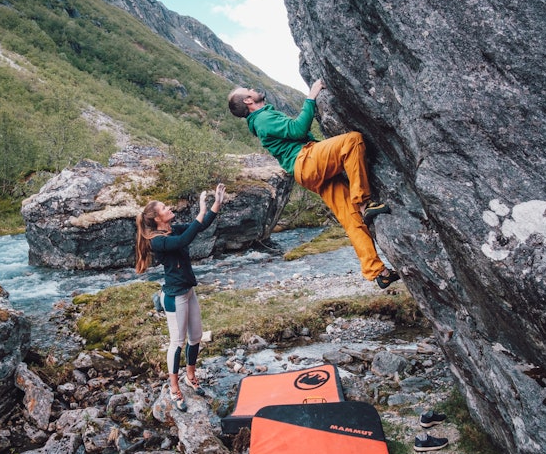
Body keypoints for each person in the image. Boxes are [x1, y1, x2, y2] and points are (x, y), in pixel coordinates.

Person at [228, 79, 397, 288]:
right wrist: (311, 96)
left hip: (307, 170)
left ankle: (378, 271)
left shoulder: (261, 118)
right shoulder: (262, 118)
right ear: (248, 100)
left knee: (350, 217)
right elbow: (298, 130)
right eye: (249, 90)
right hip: (306, 161)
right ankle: (364, 203)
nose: (253, 89)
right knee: (352, 140)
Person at [135, 182, 226, 411]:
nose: (169, 209)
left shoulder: (171, 229)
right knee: (177, 342)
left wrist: (215, 204)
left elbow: (199, 227)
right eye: (165, 208)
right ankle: (174, 387)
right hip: (174, 297)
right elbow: (184, 241)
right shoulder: (157, 241)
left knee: (195, 336)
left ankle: (190, 376)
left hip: (188, 291)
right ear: (157, 218)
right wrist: (201, 211)